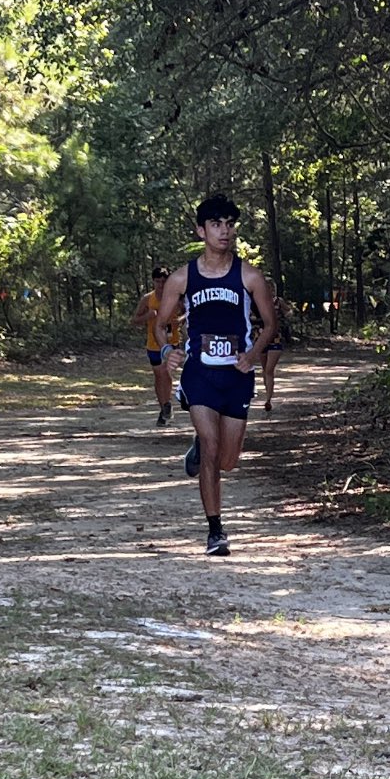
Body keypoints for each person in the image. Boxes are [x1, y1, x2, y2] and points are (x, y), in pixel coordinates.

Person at [154, 193, 277, 556]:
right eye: (216, 224)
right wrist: (167, 351)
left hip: (237, 376)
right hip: (199, 374)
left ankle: (199, 448)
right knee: (211, 448)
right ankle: (215, 531)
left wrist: (252, 355)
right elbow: (162, 326)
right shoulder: (182, 278)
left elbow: (270, 324)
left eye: (229, 224)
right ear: (201, 230)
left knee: (228, 460)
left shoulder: (249, 275)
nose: (224, 231)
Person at [131, 265, 183, 426]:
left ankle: (166, 404)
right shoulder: (148, 299)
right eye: (157, 281)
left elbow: (190, 311)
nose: (160, 285)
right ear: (153, 282)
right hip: (153, 345)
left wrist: (179, 320)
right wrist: (147, 315)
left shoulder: (175, 297)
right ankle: (164, 407)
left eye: (163, 281)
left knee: (165, 372)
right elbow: (134, 321)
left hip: (171, 342)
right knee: (159, 375)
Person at [254, 278, 292, 412]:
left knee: (269, 369)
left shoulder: (278, 301)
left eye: (270, 287)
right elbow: (249, 315)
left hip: (276, 338)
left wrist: (284, 317)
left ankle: (268, 399)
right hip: (261, 338)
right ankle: (267, 392)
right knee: (265, 370)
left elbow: (289, 312)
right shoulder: (257, 301)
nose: (268, 290)